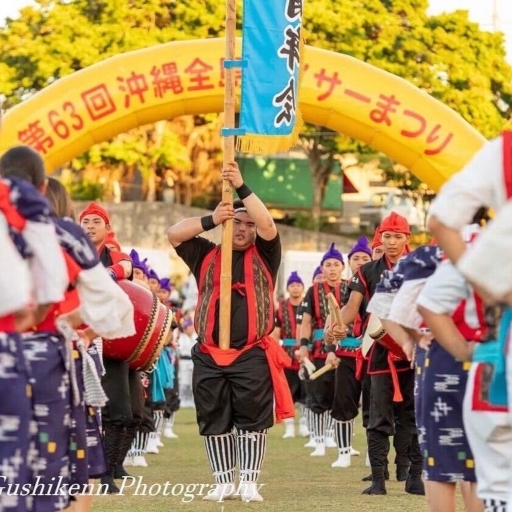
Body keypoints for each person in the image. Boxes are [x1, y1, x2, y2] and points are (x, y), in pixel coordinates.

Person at [167, 161, 293, 503]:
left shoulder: (267, 254)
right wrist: (212, 219)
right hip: (209, 353)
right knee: (212, 419)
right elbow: (174, 233)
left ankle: (249, 482)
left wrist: (241, 187)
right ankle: (223, 482)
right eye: (237, 222)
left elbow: (267, 223)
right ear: (227, 223)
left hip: (251, 352)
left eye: (248, 225)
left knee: (252, 421)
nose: (243, 229)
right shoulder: (205, 252)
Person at [339, 212, 423, 495]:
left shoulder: (421, 268)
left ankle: (415, 477)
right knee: (378, 417)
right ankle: (378, 480)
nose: (391, 242)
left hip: (414, 351)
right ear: (380, 237)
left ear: (407, 238)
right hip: (379, 351)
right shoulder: (367, 271)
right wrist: (337, 326)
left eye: (397, 236)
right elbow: (351, 309)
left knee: (413, 416)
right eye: (386, 236)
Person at [79, 202, 142, 494]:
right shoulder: (72, 255)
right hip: (81, 342)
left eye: (96, 221)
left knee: (128, 414)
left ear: (107, 228)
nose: (90, 225)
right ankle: (99, 472)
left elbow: (127, 268)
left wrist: (105, 275)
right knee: (95, 412)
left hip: (115, 343)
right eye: (85, 221)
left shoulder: (116, 256)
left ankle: (112, 467)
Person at [324, 236, 372, 468]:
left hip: (373, 353)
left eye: (365, 258)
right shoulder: (342, 287)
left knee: (374, 405)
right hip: (346, 355)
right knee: (343, 402)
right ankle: (343, 452)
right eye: (356, 258)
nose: (360, 262)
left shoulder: (378, 283)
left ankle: (373, 454)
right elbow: (331, 322)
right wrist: (331, 349)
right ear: (349, 262)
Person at [299, 243, 348, 457]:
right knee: (318, 396)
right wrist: (302, 346)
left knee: (341, 395)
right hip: (319, 350)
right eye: (328, 264)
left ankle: (336, 438)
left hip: (346, 350)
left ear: (342, 267)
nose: (332, 268)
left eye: (336, 264)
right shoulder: (313, 291)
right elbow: (307, 322)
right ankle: (319, 441)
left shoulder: (350, 288)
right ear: (322, 268)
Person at [272, 271, 307, 439]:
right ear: (288, 288)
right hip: (286, 356)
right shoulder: (281, 308)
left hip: (306, 355)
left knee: (306, 392)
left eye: (298, 285)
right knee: (288, 392)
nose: (295, 288)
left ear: (303, 287)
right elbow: (276, 334)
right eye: (292, 285)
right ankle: (289, 428)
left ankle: (304, 426)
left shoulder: (308, 305)